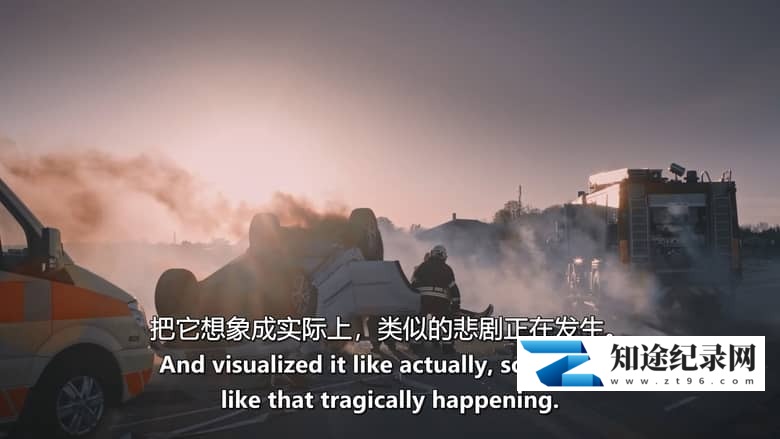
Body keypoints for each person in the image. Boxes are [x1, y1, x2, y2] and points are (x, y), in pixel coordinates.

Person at [410, 244, 461, 355]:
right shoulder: (447, 269)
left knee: (418, 320)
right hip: (441, 301)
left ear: (432, 254)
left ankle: (416, 344)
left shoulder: (422, 266)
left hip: (423, 300)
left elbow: (413, 284)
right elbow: (454, 289)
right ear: (444, 256)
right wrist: (456, 305)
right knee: (446, 321)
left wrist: (412, 301)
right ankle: (447, 347)